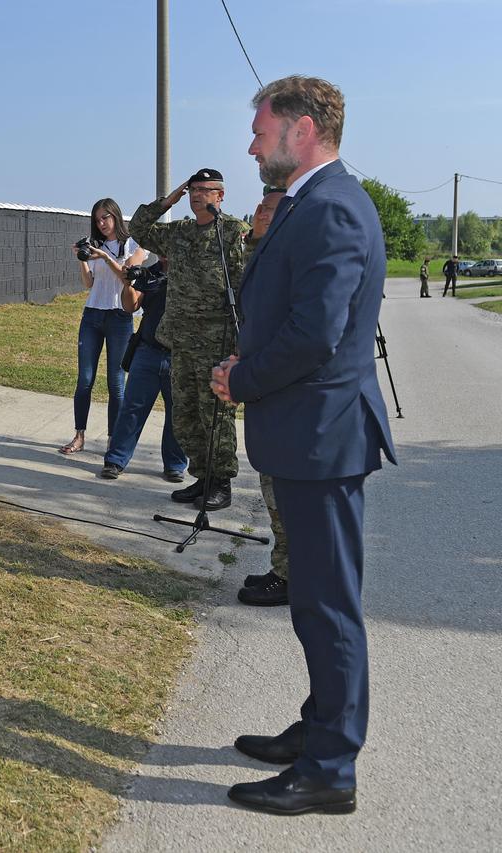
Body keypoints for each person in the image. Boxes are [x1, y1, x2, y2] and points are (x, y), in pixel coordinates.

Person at [211, 75, 396, 816]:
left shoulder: (333, 208)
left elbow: (315, 334)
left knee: (328, 605)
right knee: (315, 600)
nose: (252, 143)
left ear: (303, 128)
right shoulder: (310, 203)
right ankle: (321, 727)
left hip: (324, 436)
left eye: (261, 129)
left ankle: (330, 768)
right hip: (308, 436)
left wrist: (240, 378)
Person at [129, 169, 249, 510]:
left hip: (217, 339)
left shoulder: (232, 232)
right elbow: (138, 229)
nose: (197, 195)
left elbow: (243, 284)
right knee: (185, 414)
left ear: (220, 195)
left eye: (205, 190)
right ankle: (203, 477)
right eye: (193, 189)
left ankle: (221, 483)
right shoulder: (178, 232)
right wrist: (169, 200)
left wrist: (243, 340)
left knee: (215, 414)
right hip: (181, 339)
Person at [59, 199, 147, 456]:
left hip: (120, 318)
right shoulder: (95, 247)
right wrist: (82, 259)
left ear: (116, 216)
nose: (102, 223)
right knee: (84, 379)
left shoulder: (133, 245)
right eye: (97, 219)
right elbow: (89, 284)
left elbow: (126, 275)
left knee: (115, 383)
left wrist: (105, 256)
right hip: (92, 316)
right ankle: (79, 435)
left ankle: (112, 441)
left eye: (105, 217)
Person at [237, 185, 290, 608]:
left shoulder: (285, 259)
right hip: (262, 388)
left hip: (280, 391)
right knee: (272, 489)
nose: (260, 213)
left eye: (269, 208)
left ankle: (290, 576)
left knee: (283, 492)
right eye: (259, 206)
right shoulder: (255, 252)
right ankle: (283, 568)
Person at [98, 259, 187, 481]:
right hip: (148, 351)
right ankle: (115, 460)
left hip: (181, 355)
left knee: (178, 412)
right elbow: (131, 306)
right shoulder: (150, 273)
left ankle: (175, 464)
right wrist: (127, 283)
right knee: (132, 408)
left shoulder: (192, 271)